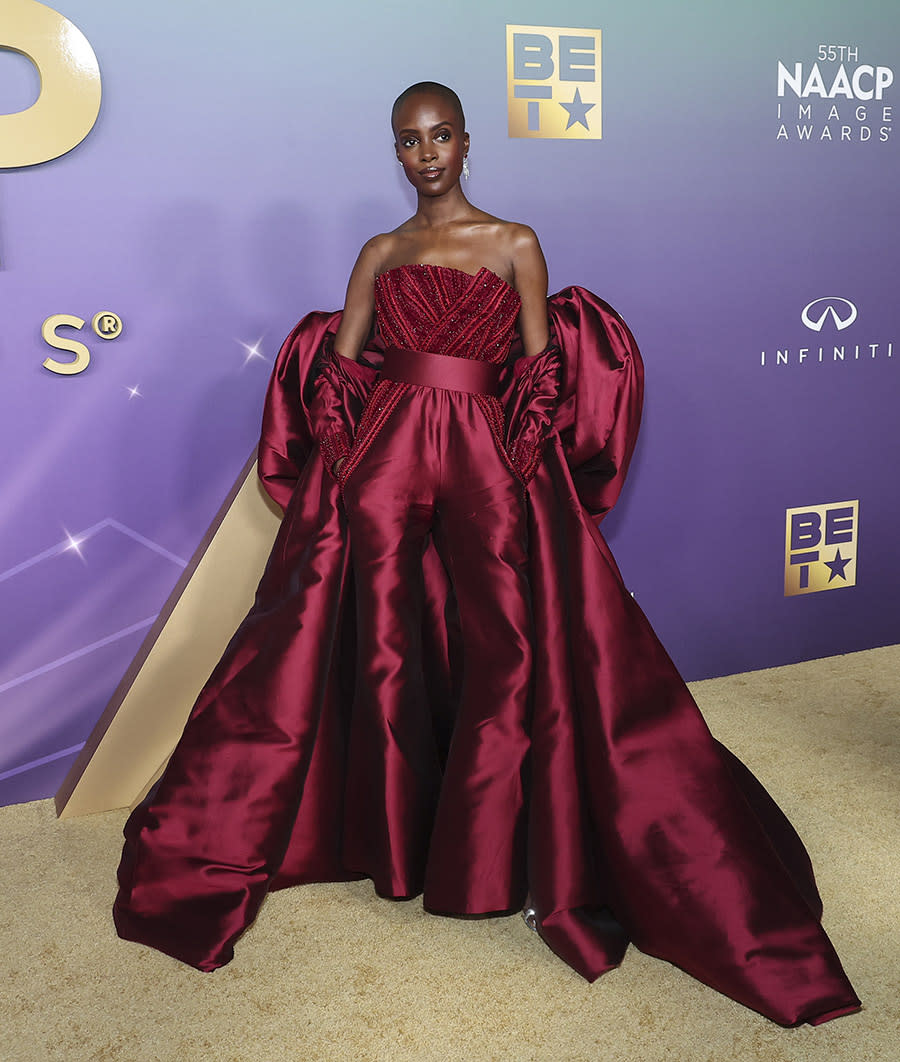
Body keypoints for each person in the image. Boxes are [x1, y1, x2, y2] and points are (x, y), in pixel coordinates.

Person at [114, 82, 860, 1027]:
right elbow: (340, 363)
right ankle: (393, 844)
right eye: (407, 142)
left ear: (467, 143)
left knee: (506, 648)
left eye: (439, 137)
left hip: (482, 458)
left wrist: (515, 457)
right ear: (397, 153)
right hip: (386, 457)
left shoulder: (514, 242)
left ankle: (488, 852)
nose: (425, 154)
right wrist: (347, 460)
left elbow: (542, 364)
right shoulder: (381, 251)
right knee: (383, 643)